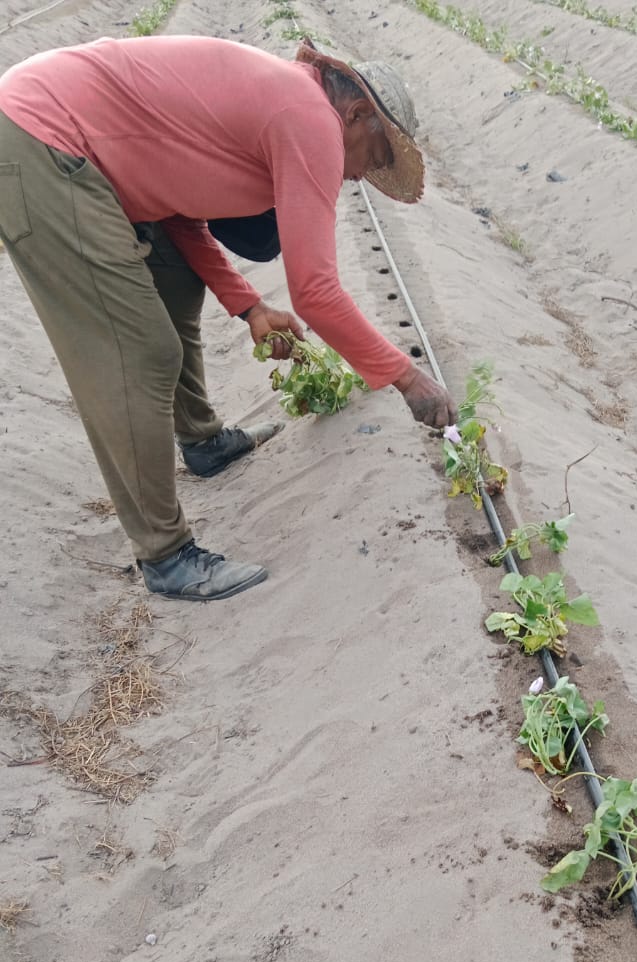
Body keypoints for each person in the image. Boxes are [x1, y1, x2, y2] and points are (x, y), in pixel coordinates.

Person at [0, 35, 458, 601]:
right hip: (42, 143)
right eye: (376, 155)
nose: (362, 175)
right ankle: (165, 557)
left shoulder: (284, 103)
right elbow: (315, 292)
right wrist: (406, 378)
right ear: (357, 112)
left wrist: (249, 305)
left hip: (51, 128)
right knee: (139, 352)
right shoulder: (310, 118)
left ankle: (203, 443)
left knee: (174, 276)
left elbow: (178, 212)